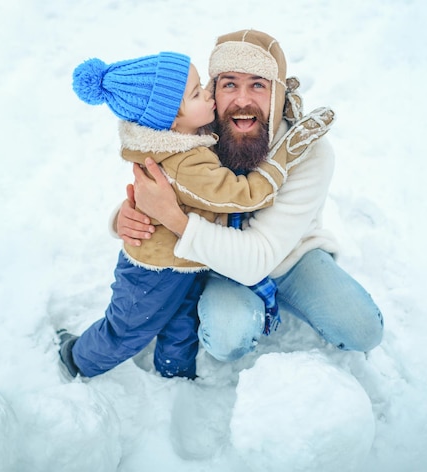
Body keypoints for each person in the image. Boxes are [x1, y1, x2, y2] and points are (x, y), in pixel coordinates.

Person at [58, 50, 334, 380]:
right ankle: (78, 358)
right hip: (153, 269)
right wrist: (281, 160)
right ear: (172, 120)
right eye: (197, 93)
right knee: (129, 327)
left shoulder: (188, 137)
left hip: (185, 260)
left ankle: (175, 371)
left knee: (181, 320)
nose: (208, 94)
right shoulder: (187, 161)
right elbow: (241, 195)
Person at [116, 29, 384, 363]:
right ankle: (227, 307)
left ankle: (288, 296)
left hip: (289, 255)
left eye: (257, 84)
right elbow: (162, 190)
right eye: (229, 83)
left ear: (278, 93)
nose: (242, 100)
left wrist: (174, 220)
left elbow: (258, 256)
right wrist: (124, 217)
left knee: (362, 329)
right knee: (228, 337)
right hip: (215, 264)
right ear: (214, 89)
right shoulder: (195, 131)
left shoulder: (307, 151)